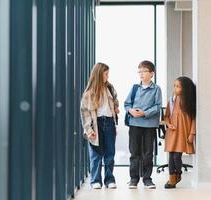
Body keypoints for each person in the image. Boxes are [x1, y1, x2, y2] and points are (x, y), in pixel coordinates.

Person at [80, 62, 119, 189]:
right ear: (98, 74)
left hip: (109, 123)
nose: (108, 76)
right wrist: (88, 130)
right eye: (106, 74)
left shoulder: (110, 88)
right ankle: (95, 180)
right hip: (96, 124)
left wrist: (116, 107)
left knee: (110, 153)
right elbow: (85, 113)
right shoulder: (89, 94)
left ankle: (109, 180)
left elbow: (116, 100)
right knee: (96, 154)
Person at [124, 60, 162, 189]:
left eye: (144, 71)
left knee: (148, 153)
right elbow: (127, 104)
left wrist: (144, 113)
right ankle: (133, 179)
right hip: (134, 124)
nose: (141, 74)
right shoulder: (135, 88)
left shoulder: (156, 89)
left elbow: (157, 107)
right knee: (134, 152)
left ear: (152, 74)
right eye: (139, 71)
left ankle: (147, 179)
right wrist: (131, 111)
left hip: (149, 126)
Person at [164, 76, 196, 189]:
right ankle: (172, 178)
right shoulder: (172, 100)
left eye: (178, 86)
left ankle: (178, 174)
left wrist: (192, 134)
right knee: (171, 156)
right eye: (174, 86)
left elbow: (194, 119)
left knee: (177, 156)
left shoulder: (190, 101)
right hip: (172, 132)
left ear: (185, 88)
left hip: (183, 133)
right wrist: (168, 124)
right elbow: (166, 116)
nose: (175, 88)